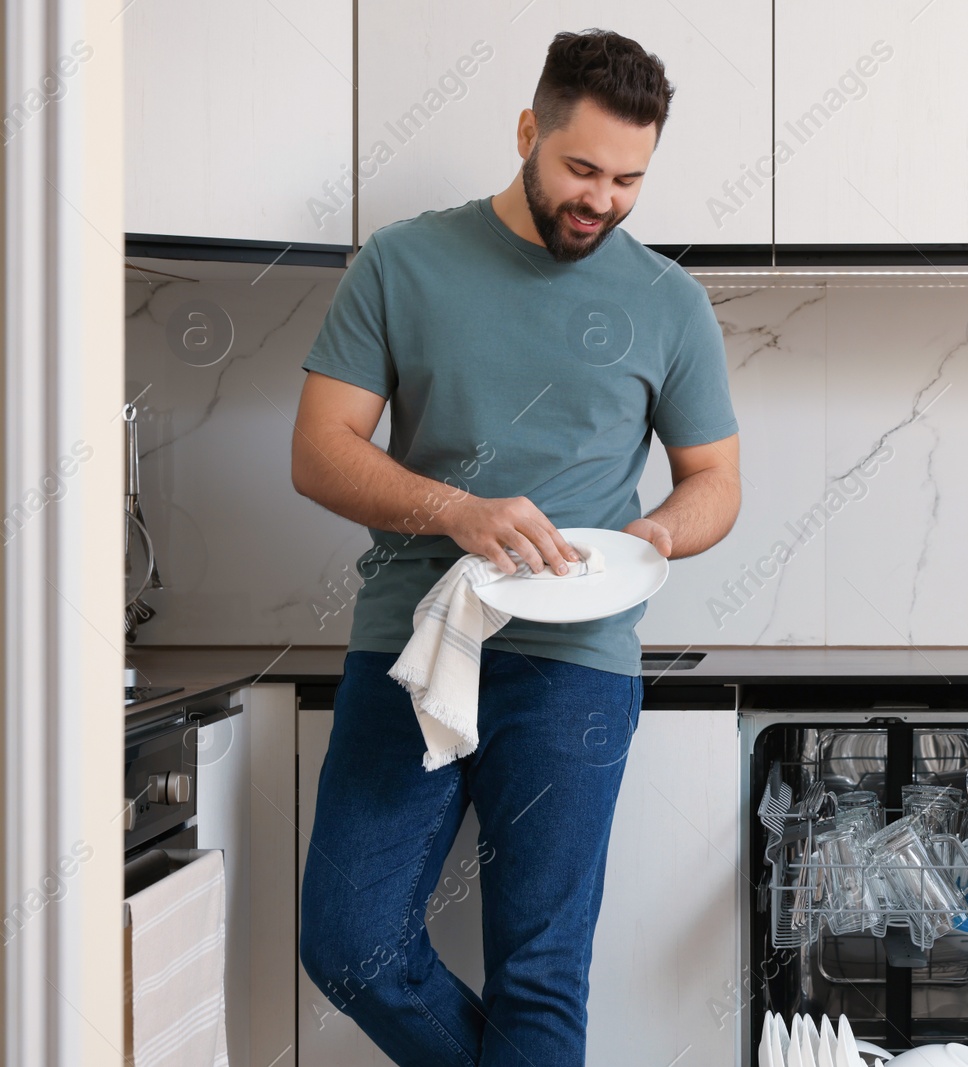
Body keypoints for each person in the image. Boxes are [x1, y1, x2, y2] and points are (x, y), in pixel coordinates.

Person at [289, 28, 740, 1066]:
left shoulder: (668, 302)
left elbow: (716, 480)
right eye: (581, 168)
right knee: (350, 941)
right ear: (528, 130)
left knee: (540, 974)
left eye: (629, 179)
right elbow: (319, 453)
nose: (602, 198)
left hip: (577, 661)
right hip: (413, 638)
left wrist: (660, 531)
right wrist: (456, 509)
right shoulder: (403, 263)